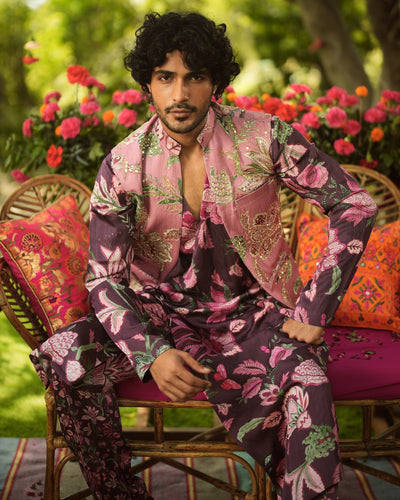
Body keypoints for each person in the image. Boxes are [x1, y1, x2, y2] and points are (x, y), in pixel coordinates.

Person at [30, 11, 378, 500]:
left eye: (194, 77)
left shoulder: (265, 136)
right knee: (65, 356)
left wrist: (313, 307)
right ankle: (119, 493)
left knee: (309, 380)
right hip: (160, 316)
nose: (180, 93)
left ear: (215, 82)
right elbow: (104, 279)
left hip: (257, 316)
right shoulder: (122, 166)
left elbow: (354, 204)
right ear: (147, 84)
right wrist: (150, 353)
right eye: (165, 77)